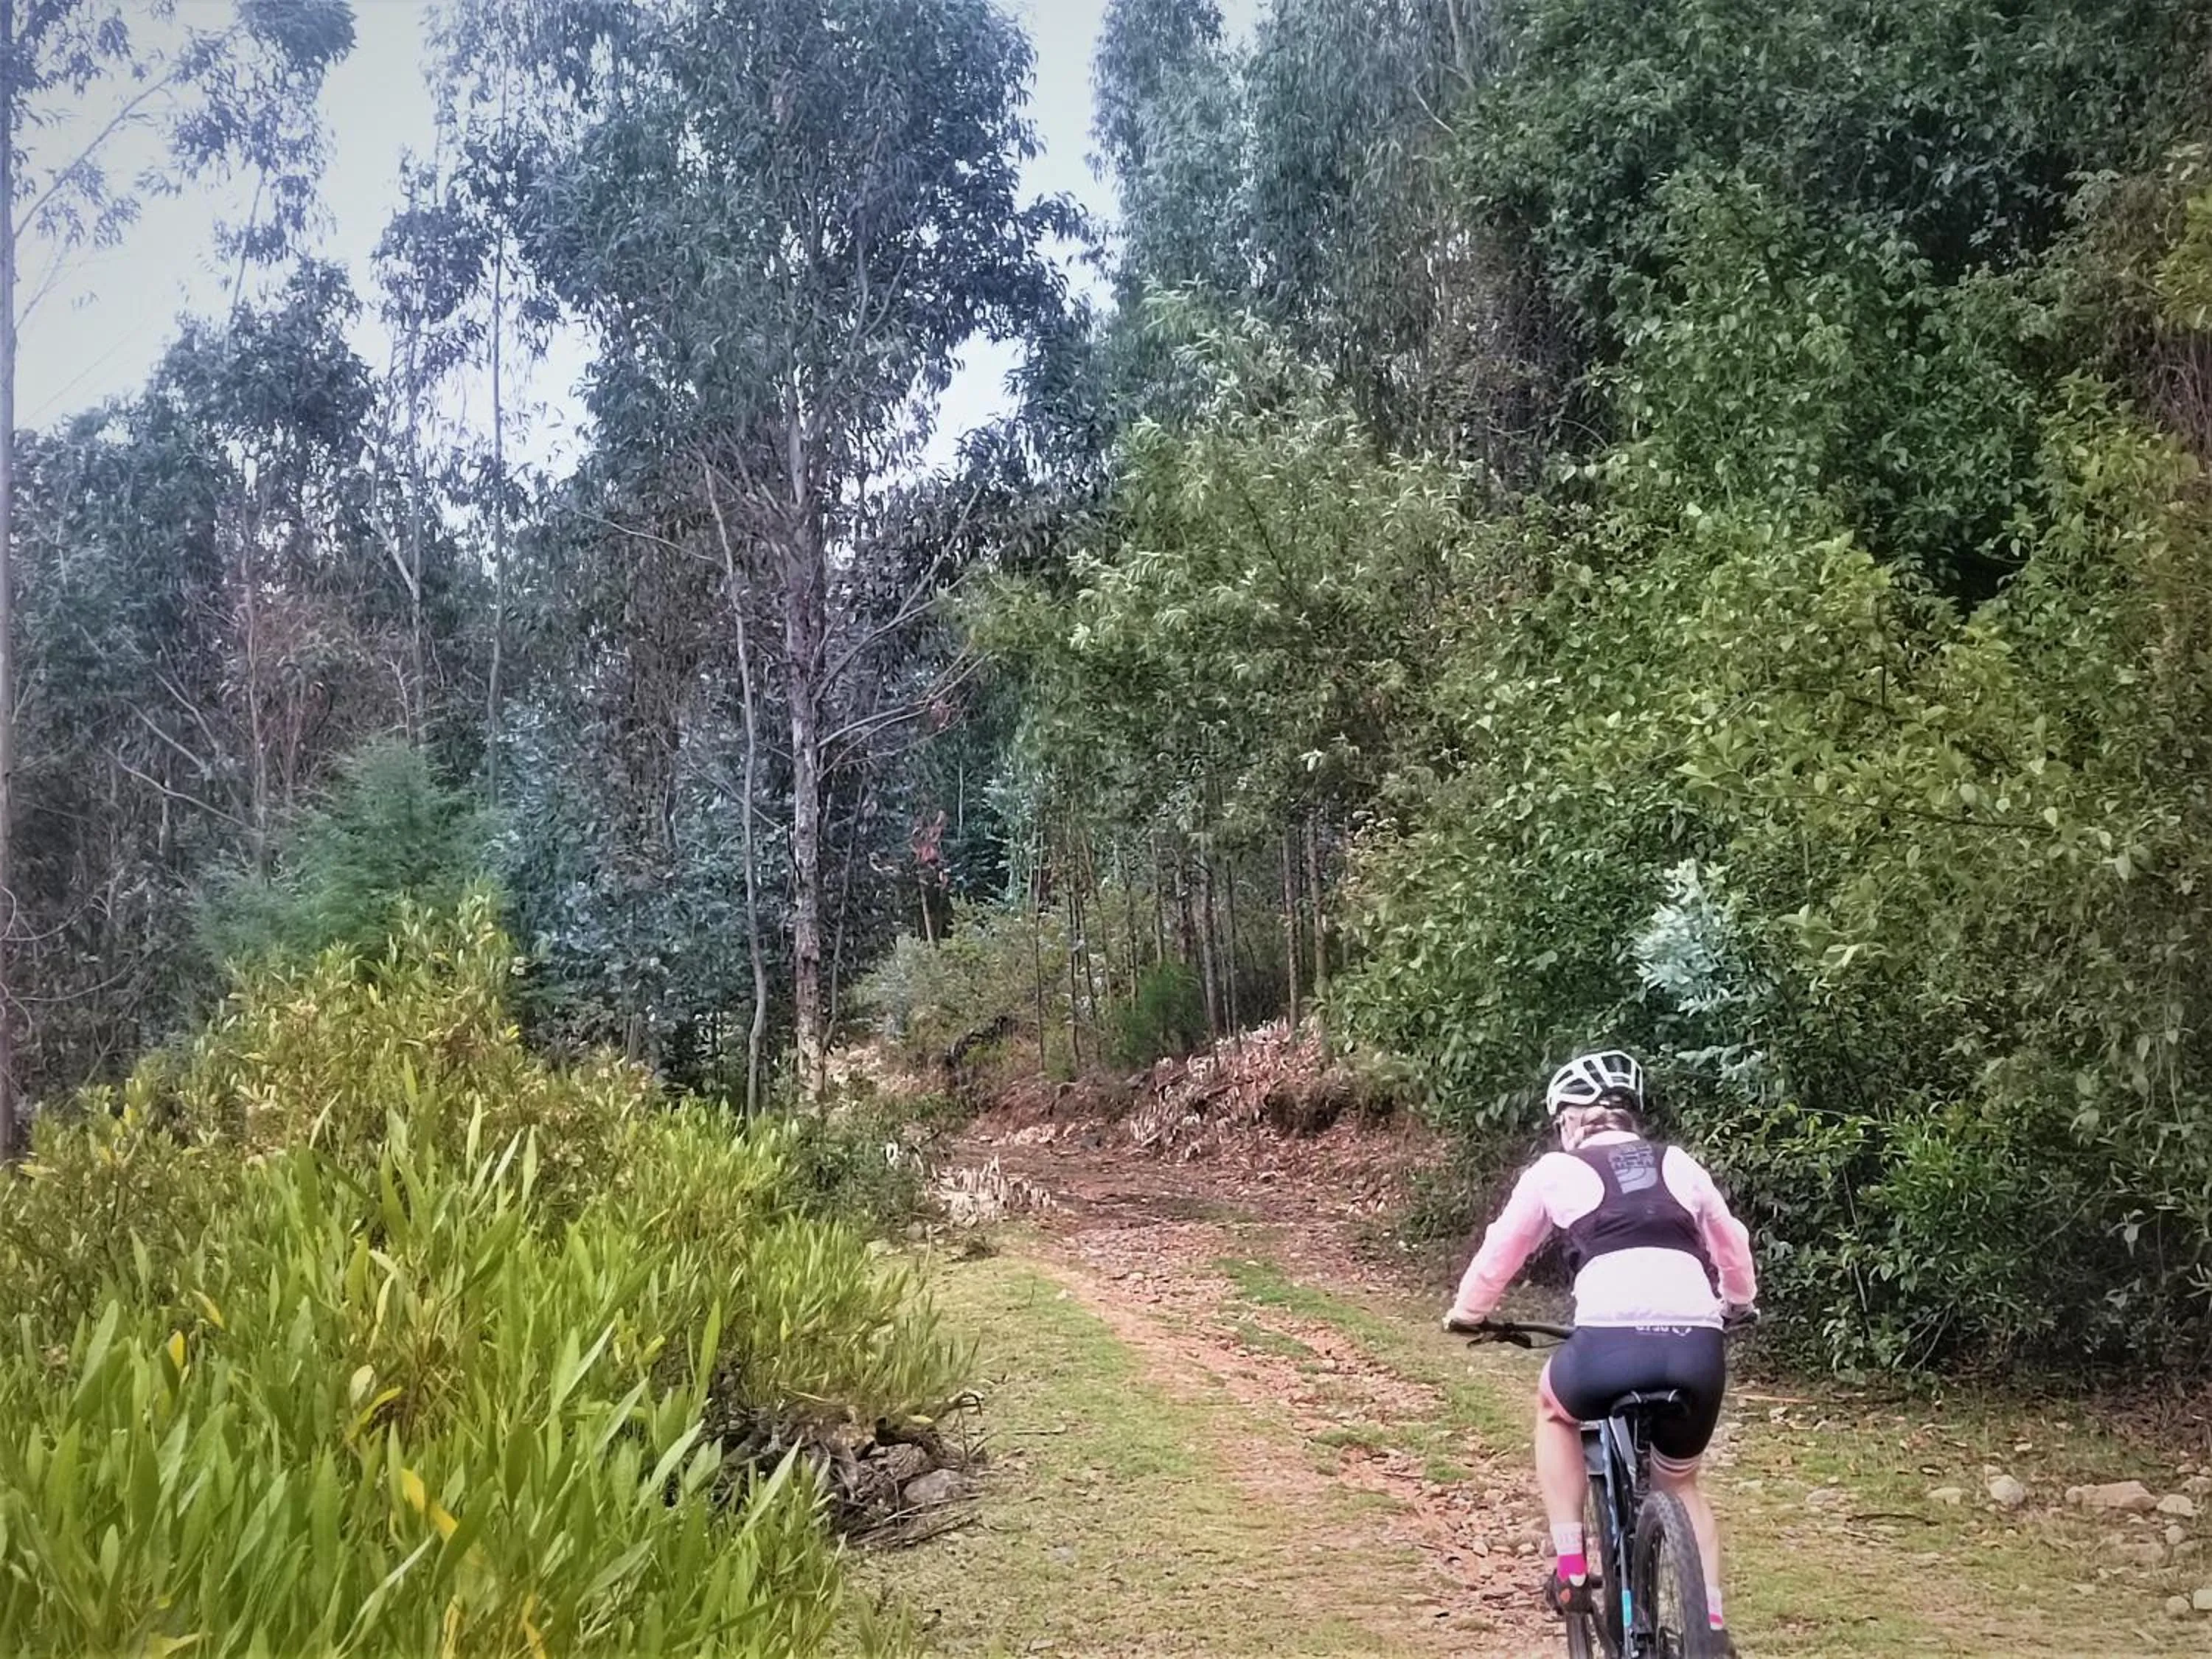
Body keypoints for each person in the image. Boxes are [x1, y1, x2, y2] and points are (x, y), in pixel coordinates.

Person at [1443, 1049, 1756, 1649]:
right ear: (1629, 1116)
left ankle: (1569, 1563)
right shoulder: (1680, 1164)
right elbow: (1731, 1245)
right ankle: (1710, 1628)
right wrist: (1737, 1303)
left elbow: (1500, 1250)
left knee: (1556, 1410)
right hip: (1697, 1347)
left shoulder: (1554, 1172)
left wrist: (1469, 1313)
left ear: (1570, 1119)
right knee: (1681, 1484)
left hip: (1607, 1343)